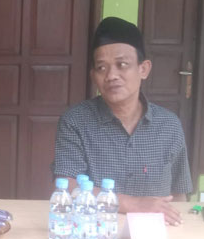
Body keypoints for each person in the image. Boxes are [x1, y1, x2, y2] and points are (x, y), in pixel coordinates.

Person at [52, 17, 193, 225]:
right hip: (94, 232)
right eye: (101, 68)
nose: (111, 75)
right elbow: (67, 187)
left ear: (143, 69)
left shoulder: (169, 125)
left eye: (122, 65)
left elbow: (179, 195)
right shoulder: (75, 122)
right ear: (93, 76)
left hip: (155, 234)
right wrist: (135, 204)